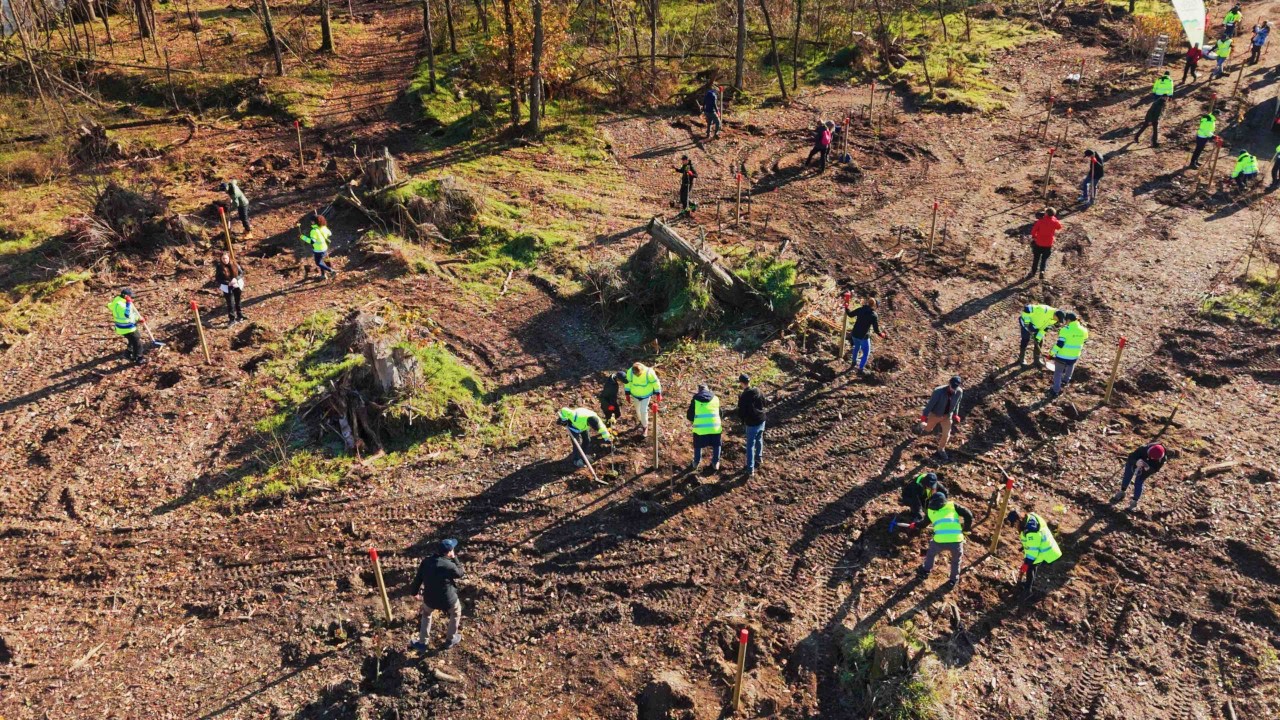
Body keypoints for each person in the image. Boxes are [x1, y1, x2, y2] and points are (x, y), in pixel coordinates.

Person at [409, 538, 464, 651]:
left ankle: (422, 643)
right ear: (449, 552)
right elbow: (460, 573)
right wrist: (455, 558)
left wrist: (414, 592)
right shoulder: (449, 565)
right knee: (456, 613)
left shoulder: (426, 562)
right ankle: (450, 640)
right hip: (448, 599)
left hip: (430, 599)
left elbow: (418, 578)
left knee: (426, 615)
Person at [919, 492, 973, 589]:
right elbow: (968, 514)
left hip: (939, 540)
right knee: (956, 561)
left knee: (931, 554)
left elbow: (923, 524)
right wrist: (966, 529)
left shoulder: (930, 511)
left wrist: (914, 525)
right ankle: (953, 581)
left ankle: (926, 571)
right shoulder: (952, 506)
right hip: (956, 540)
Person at [1004, 509, 1061, 599]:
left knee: (1030, 567)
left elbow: (1032, 552)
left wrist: (1026, 564)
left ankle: (1028, 591)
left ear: (1018, 521)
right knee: (1031, 567)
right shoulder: (1029, 517)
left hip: (1044, 550)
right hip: (1042, 546)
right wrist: (1024, 546)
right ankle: (1028, 583)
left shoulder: (1031, 532)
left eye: (1014, 524)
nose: (1015, 527)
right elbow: (1032, 542)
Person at [918, 375, 963, 461]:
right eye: (952, 387)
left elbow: (957, 403)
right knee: (928, 429)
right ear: (949, 383)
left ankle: (941, 449)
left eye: (955, 387)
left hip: (947, 416)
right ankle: (921, 426)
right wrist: (923, 418)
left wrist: (955, 414)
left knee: (947, 434)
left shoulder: (959, 392)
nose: (953, 389)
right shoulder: (938, 392)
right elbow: (930, 405)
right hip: (935, 415)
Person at [1114, 443, 1167, 509]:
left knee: (1139, 482)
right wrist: (1136, 462)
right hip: (1134, 463)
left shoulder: (1162, 458)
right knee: (1127, 475)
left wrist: (1149, 469)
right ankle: (1122, 491)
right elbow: (1131, 457)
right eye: (1151, 456)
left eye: (1154, 458)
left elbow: (1156, 469)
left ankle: (1134, 501)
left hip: (1146, 470)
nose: (1152, 458)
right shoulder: (1143, 448)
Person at [843, 295, 886, 375]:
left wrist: (846, 307)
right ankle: (860, 368)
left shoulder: (861, 309)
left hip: (855, 334)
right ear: (875, 306)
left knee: (856, 347)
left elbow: (850, 314)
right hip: (863, 337)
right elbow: (876, 330)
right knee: (866, 353)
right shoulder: (873, 315)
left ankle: (854, 362)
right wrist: (881, 334)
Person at [1049, 311, 1089, 396]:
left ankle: (1055, 390)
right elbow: (1084, 341)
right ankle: (1066, 380)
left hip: (1062, 356)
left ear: (1069, 320)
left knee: (1058, 372)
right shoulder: (1084, 330)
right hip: (1074, 355)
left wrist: (1052, 353)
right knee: (1070, 367)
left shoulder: (1065, 330)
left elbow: (1060, 344)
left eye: (1065, 320)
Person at [687, 383, 722, 473]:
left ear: (699, 390)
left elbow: (690, 415)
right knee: (716, 444)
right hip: (715, 427)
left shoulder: (695, 399)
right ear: (708, 389)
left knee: (697, 444)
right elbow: (720, 413)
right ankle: (715, 462)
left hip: (700, 428)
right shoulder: (716, 398)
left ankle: (696, 462)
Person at [736, 373, 767, 476]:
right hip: (762, 420)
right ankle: (759, 458)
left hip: (752, 423)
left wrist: (742, 421)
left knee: (750, 445)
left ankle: (750, 469)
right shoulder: (758, 391)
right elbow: (764, 402)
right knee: (759, 439)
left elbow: (741, 411)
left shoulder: (744, 396)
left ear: (741, 383)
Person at [623, 362, 662, 437]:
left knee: (643, 411)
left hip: (646, 395)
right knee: (638, 410)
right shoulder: (630, 372)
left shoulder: (649, 372)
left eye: (638, 374)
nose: (636, 375)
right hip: (635, 394)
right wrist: (627, 394)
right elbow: (627, 383)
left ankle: (645, 426)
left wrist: (658, 394)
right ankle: (641, 421)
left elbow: (655, 382)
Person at [107, 288, 145, 364]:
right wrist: (139, 319)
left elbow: (110, 306)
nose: (132, 298)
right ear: (126, 296)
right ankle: (138, 358)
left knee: (132, 340)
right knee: (137, 342)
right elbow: (128, 315)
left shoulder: (116, 301)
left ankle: (128, 353)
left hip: (120, 328)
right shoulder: (123, 306)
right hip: (128, 328)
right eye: (130, 297)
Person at [1134, 73, 1172, 147]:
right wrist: (1150, 120)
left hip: (1155, 119)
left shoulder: (1163, 103)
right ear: (1163, 97)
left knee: (1155, 131)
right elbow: (1151, 112)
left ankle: (1154, 143)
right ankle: (1136, 137)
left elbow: (1161, 112)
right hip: (1150, 118)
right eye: (1166, 97)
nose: (1166, 99)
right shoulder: (1157, 103)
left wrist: (1159, 118)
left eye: (1166, 98)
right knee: (1144, 127)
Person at [301, 214, 337, 280]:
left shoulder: (314, 231)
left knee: (318, 262)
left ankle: (331, 271)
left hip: (318, 250)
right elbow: (330, 233)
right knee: (324, 261)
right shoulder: (324, 227)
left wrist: (303, 237)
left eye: (311, 221)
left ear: (314, 222)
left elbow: (312, 241)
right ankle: (323, 275)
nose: (311, 222)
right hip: (325, 248)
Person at [1029, 207, 1061, 279]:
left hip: (1039, 243)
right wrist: (1054, 218)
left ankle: (1033, 272)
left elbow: (1033, 231)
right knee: (1044, 259)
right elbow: (1059, 227)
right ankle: (1042, 271)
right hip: (1048, 244)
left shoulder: (1040, 221)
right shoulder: (1054, 221)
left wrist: (1034, 237)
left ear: (1046, 213)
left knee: (1036, 258)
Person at [215, 252, 245, 325]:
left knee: (238, 301)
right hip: (227, 286)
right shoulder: (219, 267)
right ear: (221, 259)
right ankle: (232, 319)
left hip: (236, 285)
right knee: (230, 303)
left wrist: (236, 279)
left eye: (226, 258)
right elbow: (218, 279)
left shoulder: (234, 264)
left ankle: (240, 315)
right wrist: (227, 283)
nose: (225, 260)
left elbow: (241, 273)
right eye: (223, 259)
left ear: (229, 258)